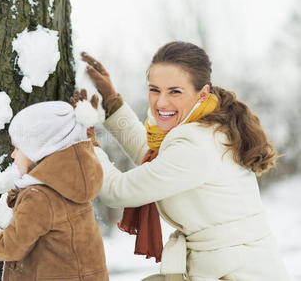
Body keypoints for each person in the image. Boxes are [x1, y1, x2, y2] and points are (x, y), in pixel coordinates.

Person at [81, 41, 289, 281]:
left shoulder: (197, 144)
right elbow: (153, 159)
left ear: (202, 94)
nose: (161, 103)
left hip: (236, 273)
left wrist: (86, 145)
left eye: (175, 91)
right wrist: (111, 102)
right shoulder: (203, 128)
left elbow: (117, 191)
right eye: (154, 89)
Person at [0, 101, 109, 281]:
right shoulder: (70, 185)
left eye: (17, 148)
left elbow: (10, 247)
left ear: (39, 150)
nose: (13, 155)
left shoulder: (39, 197)